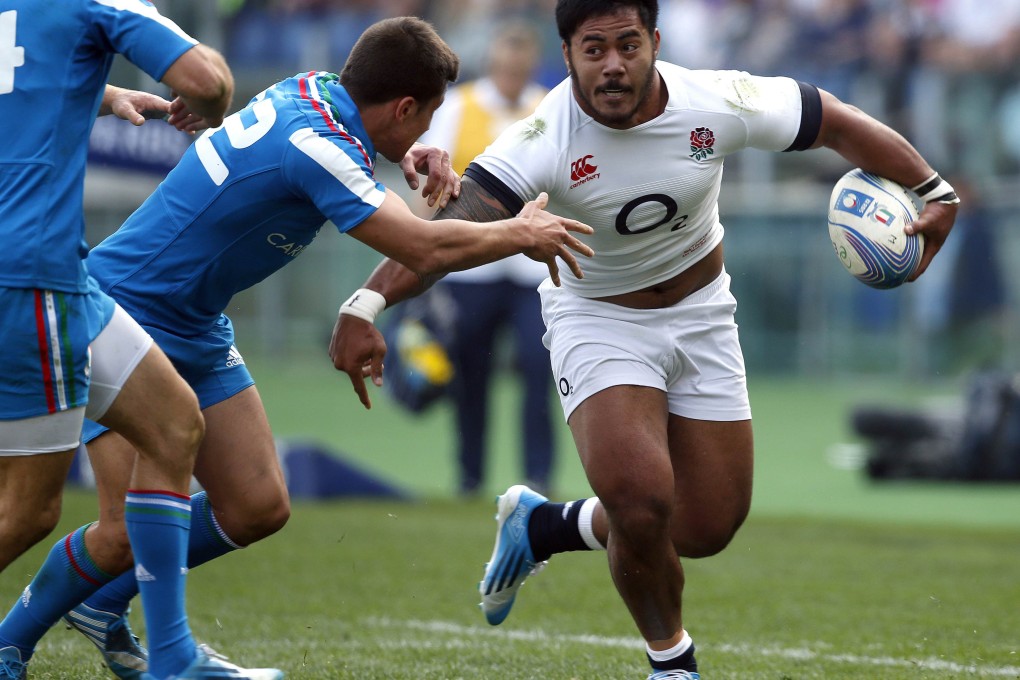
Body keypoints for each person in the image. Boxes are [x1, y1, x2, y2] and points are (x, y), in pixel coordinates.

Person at [328, 1, 960, 677]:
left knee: (705, 527)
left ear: (655, 42)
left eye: (628, 45)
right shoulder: (542, 137)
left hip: (703, 315)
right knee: (640, 499)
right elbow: (439, 240)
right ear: (566, 55)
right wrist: (365, 304)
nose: (613, 65)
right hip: (597, 318)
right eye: (593, 50)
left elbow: (833, 119)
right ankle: (673, 664)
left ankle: (545, 526)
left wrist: (934, 188)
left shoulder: (715, 101)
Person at [0, 15, 593, 680]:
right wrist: (521, 231)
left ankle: (105, 608)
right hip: (125, 307)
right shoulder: (318, 145)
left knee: (257, 505)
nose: (425, 136)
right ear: (401, 106)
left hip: (195, 321)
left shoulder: (311, 91)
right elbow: (421, 246)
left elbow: (351, 143)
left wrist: (407, 154)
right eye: (422, 122)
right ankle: (21, 643)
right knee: (111, 533)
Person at [0, 1, 287, 678]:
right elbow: (208, 81)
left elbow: (23, 82)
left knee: (174, 424)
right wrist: (209, 99)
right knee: (28, 509)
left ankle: (172, 659)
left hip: (62, 277)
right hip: (29, 277)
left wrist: (97, 94)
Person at [416, 21, 555, 496]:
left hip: (533, 269)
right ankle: (470, 478)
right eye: (506, 66)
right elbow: (430, 183)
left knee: (541, 371)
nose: (513, 74)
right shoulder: (459, 107)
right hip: (471, 267)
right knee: (470, 377)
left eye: (521, 67)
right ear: (494, 64)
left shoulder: (549, 107)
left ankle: (538, 476)